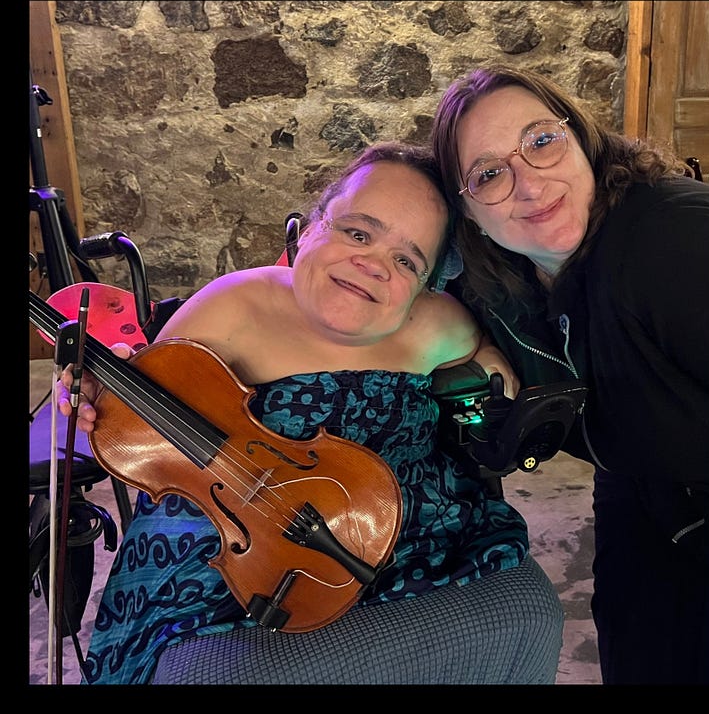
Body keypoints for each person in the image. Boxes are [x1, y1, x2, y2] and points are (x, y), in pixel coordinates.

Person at [62, 143, 561, 685]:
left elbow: (476, 346)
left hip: (419, 539)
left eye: (406, 261)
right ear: (310, 228)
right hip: (235, 560)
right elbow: (145, 427)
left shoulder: (435, 324)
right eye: (358, 232)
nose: (373, 264)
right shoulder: (232, 307)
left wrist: (488, 356)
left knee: (528, 611)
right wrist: (104, 392)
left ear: (424, 285)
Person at [430, 66, 709, 684]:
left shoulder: (671, 241)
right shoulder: (499, 275)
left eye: (541, 141)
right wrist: (475, 342)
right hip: (630, 470)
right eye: (489, 174)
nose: (529, 185)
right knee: (632, 644)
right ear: (466, 212)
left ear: (581, 139)